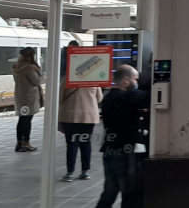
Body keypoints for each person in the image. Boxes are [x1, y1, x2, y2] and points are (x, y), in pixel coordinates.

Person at [96, 64, 149, 208]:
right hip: (124, 150)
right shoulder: (124, 97)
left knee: (110, 190)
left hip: (110, 149)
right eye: (135, 79)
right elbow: (143, 96)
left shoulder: (109, 98)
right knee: (129, 191)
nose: (136, 82)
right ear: (126, 80)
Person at [59, 77, 102, 181]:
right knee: (86, 143)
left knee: (71, 144)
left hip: (71, 116)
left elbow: (60, 97)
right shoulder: (93, 79)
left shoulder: (68, 79)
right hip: (88, 116)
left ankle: (70, 172)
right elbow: (99, 98)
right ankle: (85, 172)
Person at [12, 47, 43, 152]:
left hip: (20, 97)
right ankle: (25, 143)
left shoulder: (17, 67)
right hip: (29, 98)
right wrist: (39, 72)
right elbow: (37, 81)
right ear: (30, 56)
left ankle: (19, 143)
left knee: (22, 120)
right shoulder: (30, 68)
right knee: (27, 121)